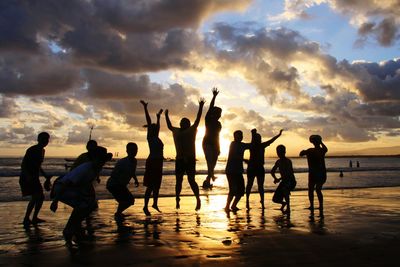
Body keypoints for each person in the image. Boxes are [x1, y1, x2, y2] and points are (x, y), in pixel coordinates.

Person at [50, 146, 111, 245]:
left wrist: (92, 197)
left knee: (89, 205)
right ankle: (69, 229)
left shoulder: (96, 168)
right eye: (100, 160)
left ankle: (74, 226)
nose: (102, 163)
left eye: (103, 160)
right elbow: (67, 183)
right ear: (95, 159)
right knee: (82, 205)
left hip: (73, 188)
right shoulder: (85, 168)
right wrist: (55, 201)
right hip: (61, 188)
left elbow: (88, 183)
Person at [165, 98, 205, 210]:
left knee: (191, 180)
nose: (183, 124)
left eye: (186, 122)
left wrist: (201, 107)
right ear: (180, 124)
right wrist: (166, 115)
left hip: (190, 159)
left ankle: (198, 199)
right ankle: (177, 199)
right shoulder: (176, 131)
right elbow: (169, 126)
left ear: (188, 124)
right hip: (179, 159)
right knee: (179, 181)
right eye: (182, 122)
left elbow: (197, 120)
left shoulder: (192, 130)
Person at [19, 132, 52, 227]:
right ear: (38, 139)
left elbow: (38, 166)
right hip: (26, 177)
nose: (45, 141)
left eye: (47, 139)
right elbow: (23, 165)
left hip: (34, 177)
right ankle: (27, 218)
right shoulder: (32, 150)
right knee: (36, 197)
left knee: (39, 197)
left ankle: (33, 218)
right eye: (43, 139)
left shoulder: (42, 151)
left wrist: (46, 176)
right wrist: (28, 176)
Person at [246, 129, 283, 210]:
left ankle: (262, 202)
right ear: (255, 139)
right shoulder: (252, 146)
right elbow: (253, 140)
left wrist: (278, 135)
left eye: (259, 138)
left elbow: (271, 140)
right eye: (257, 138)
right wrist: (253, 134)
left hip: (259, 167)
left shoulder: (262, 145)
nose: (259, 139)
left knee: (260, 186)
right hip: (252, 167)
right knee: (249, 184)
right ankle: (247, 201)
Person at [140, 100, 164, 216]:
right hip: (152, 162)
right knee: (150, 186)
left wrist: (159, 117)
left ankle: (154, 203)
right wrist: (145, 108)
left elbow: (157, 125)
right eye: (153, 128)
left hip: (159, 163)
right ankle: (145, 206)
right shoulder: (150, 137)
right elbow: (149, 121)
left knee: (157, 185)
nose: (156, 128)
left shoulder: (156, 136)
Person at [106, 143, 139, 219]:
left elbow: (132, 171)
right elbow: (113, 174)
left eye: (135, 150)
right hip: (113, 184)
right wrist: (120, 183)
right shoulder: (122, 162)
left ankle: (118, 213)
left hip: (121, 185)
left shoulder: (134, 161)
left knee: (129, 201)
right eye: (132, 150)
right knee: (127, 200)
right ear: (127, 151)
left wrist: (136, 180)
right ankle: (118, 214)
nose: (134, 151)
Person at [299, 135, 328, 216]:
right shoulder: (318, 150)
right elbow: (301, 154)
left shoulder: (311, 150)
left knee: (313, 189)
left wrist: (304, 151)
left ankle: (315, 205)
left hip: (316, 173)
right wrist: (321, 142)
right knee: (315, 189)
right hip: (318, 173)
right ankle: (317, 205)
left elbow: (300, 154)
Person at [224, 130, 250, 212]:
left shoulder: (242, 145)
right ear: (235, 137)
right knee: (233, 189)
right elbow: (234, 155)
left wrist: (253, 135)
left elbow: (251, 145)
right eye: (239, 136)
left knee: (241, 190)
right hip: (231, 170)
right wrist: (244, 159)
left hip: (238, 171)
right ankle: (227, 206)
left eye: (241, 135)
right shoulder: (233, 144)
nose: (240, 137)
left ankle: (234, 205)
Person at [202, 88, 222, 189]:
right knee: (209, 162)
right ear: (214, 113)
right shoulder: (208, 119)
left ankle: (207, 181)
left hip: (215, 144)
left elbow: (218, 136)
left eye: (220, 113)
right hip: (207, 143)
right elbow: (210, 108)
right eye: (218, 113)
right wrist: (214, 96)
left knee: (213, 164)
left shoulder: (219, 123)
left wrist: (218, 147)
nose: (219, 115)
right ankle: (211, 176)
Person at [271, 145, 297, 214]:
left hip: (291, 181)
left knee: (285, 189)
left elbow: (289, 173)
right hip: (284, 181)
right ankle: (283, 203)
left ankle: (288, 208)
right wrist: (275, 178)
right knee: (275, 199)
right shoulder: (278, 162)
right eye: (278, 152)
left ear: (284, 152)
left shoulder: (288, 161)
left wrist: (279, 179)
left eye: (281, 152)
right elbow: (272, 171)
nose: (279, 153)